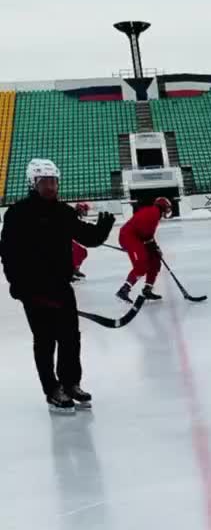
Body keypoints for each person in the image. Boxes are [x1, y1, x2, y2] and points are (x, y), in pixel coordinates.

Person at [0, 159, 115, 412]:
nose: (51, 187)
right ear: (33, 183)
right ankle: (52, 390)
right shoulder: (18, 213)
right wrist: (16, 284)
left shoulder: (63, 212)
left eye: (53, 181)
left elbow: (87, 237)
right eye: (45, 182)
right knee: (45, 341)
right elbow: (7, 252)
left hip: (61, 286)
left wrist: (103, 229)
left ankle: (70, 383)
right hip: (33, 288)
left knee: (70, 337)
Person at [116, 197, 172, 303]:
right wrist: (153, 247)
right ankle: (124, 290)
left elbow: (148, 234)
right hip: (129, 237)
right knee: (141, 265)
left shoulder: (155, 213)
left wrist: (155, 248)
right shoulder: (153, 213)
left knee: (155, 261)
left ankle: (147, 290)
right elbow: (145, 234)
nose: (168, 210)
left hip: (138, 238)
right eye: (168, 208)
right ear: (163, 206)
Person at [71, 203, 90, 282]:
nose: (86, 212)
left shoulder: (79, 217)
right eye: (85, 210)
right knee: (77, 252)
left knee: (83, 252)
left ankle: (75, 270)